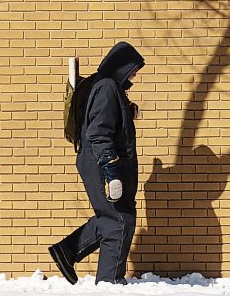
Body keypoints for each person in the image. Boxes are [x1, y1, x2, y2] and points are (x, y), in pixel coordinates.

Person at [48, 41, 144, 285]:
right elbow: (98, 132)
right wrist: (110, 169)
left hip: (98, 159)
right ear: (121, 66)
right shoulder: (107, 87)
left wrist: (126, 109)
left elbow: (103, 119)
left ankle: (68, 250)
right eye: (133, 68)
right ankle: (109, 282)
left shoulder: (107, 86)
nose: (135, 73)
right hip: (101, 161)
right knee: (118, 221)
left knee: (114, 217)